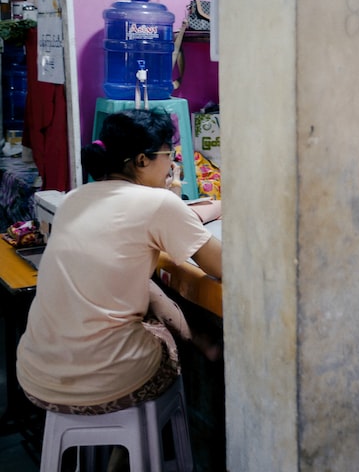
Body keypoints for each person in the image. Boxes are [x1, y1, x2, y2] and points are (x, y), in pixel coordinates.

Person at [17, 109, 223, 415]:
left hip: (36, 379)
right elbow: (224, 267)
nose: (173, 164)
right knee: (165, 335)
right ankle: (132, 451)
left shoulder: (77, 197)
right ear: (142, 160)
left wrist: (218, 205)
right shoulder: (158, 204)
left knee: (144, 286)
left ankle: (203, 344)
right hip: (103, 387)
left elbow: (173, 216)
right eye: (170, 154)